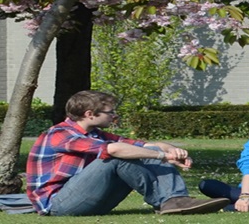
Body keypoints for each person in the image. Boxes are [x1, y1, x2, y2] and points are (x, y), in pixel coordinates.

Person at [24, 90, 230, 216]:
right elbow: (113, 150)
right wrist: (161, 156)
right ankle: (169, 201)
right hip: (59, 205)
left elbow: (146, 145)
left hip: (88, 200)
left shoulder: (96, 134)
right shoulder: (59, 134)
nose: (115, 116)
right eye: (110, 112)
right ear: (89, 114)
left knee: (144, 150)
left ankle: (176, 199)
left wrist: (173, 151)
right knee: (116, 158)